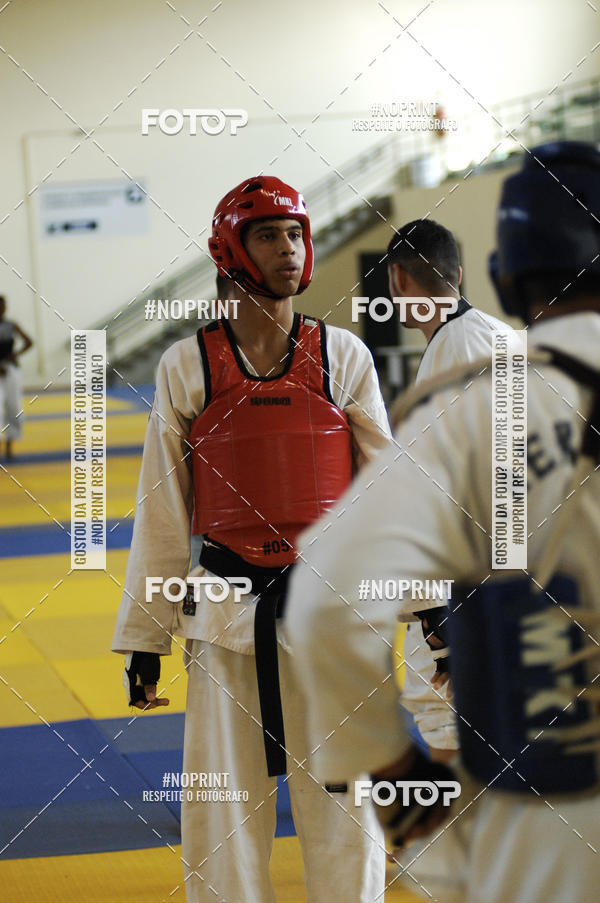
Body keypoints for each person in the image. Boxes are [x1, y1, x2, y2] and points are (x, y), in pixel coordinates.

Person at [285, 141, 600, 903]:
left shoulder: (471, 392)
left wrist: (397, 785)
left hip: (547, 811)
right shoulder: (492, 359)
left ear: (502, 275)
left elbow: (325, 604)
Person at [112, 176, 391, 902]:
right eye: (269, 234)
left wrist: (423, 605)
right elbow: (164, 508)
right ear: (231, 248)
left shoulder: (343, 356)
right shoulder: (188, 365)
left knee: (347, 803)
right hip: (227, 613)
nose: (290, 249)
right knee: (222, 811)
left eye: (296, 232)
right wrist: (147, 635)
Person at [388, 219, 512, 763]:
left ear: (397, 281)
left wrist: (434, 620)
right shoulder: (503, 336)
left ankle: (453, 846)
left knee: (443, 714)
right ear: (458, 274)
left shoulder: (450, 358)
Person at [0, 295, 33, 461]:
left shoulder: (12, 325)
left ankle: (9, 447)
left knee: (13, 407)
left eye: (3, 306)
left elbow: (29, 342)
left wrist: (16, 355)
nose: (2, 309)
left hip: (10, 370)